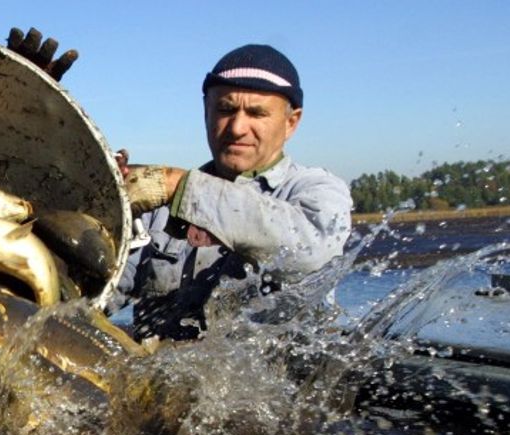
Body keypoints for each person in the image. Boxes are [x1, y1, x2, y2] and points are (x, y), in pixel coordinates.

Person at [115, 44, 353, 341]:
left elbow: (310, 254)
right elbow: (91, 293)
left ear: (291, 122)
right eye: (225, 109)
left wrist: (180, 188)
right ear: (206, 112)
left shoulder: (316, 190)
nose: (238, 127)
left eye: (257, 113)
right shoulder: (156, 208)